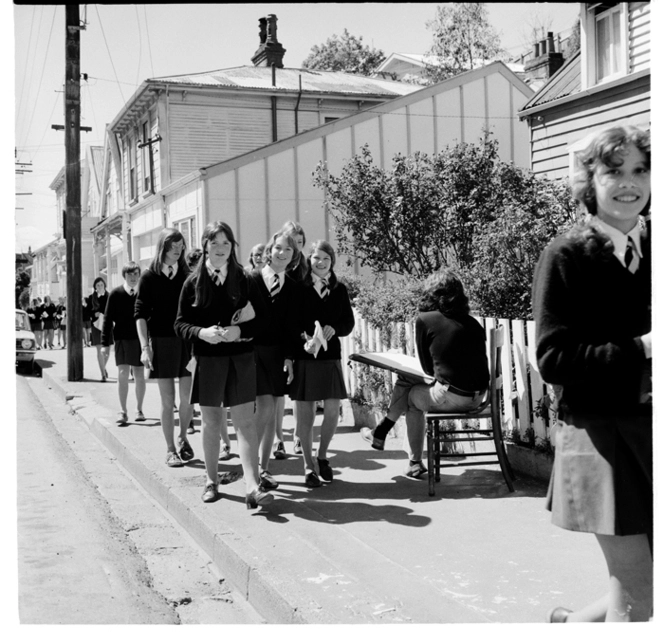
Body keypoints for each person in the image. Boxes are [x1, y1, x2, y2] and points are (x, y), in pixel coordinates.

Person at [533, 125, 652, 623]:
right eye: (614, 170)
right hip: (600, 433)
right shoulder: (566, 255)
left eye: (641, 170)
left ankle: (570, 628)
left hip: (652, 432)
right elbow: (553, 358)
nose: (630, 182)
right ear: (590, 179)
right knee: (643, 595)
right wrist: (640, 349)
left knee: (647, 584)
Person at [174, 221, 273, 508]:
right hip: (208, 360)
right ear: (204, 246)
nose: (220, 249)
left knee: (244, 423)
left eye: (226, 244)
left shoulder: (246, 278)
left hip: (241, 358)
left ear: (233, 247)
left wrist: (240, 332)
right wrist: (201, 333)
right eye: (214, 243)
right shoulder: (192, 282)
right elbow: (180, 324)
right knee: (211, 422)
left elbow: (264, 319)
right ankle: (211, 480)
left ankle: (252, 485)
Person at [361, 270, 489, 479]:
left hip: (452, 397)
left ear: (432, 293)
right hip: (479, 398)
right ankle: (382, 433)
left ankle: (410, 458)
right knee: (409, 384)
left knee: (411, 397)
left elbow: (428, 369)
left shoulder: (426, 320)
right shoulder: (472, 323)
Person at [290, 240, 355, 487]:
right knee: (305, 417)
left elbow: (348, 324)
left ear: (332, 261)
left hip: (330, 358)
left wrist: (333, 328)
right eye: (316, 258)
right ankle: (308, 467)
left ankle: (323, 456)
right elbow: (291, 322)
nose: (321, 263)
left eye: (326, 259)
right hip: (305, 356)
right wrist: (304, 338)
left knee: (331, 411)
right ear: (309, 260)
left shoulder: (339, 289)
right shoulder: (299, 288)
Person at [135, 228, 195, 468]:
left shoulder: (188, 275)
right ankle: (170, 449)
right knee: (167, 400)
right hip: (161, 342)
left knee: (188, 398)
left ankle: (182, 438)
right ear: (163, 246)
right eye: (173, 245)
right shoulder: (149, 277)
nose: (178, 249)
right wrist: (145, 347)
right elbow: (140, 314)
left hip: (187, 343)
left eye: (181, 245)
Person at [248, 231, 302, 491]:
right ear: (269, 250)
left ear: (294, 256)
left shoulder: (292, 287)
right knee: (266, 408)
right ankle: (253, 468)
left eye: (288, 250)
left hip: (277, 354)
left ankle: (263, 467)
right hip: (250, 352)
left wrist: (290, 357)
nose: (282, 253)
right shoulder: (252, 279)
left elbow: (292, 326)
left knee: (269, 413)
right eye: (278, 248)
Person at [277, 220, 309, 456]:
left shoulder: (306, 267)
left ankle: (299, 437)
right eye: (291, 243)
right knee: (276, 392)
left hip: (299, 335)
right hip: (278, 335)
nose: (295, 248)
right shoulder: (277, 265)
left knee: (298, 393)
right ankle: (279, 438)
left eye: (299, 243)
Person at [101, 262, 146, 426]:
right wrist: (104, 344)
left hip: (140, 340)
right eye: (130, 275)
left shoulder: (143, 293)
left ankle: (139, 409)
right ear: (124, 276)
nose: (133, 278)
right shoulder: (115, 294)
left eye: (135, 274)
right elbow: (107, 320)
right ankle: (123, 410)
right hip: (121, 339)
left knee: (139, 375)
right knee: (122, 374)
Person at [90, 277, 111, 380]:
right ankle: (103, 374)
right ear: (95, 287)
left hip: (107, 326)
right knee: (99, 351)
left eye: (101, 285)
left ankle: (104, 367)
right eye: (97, 285)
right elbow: (87, 313)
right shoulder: (91, 298)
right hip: (96, 326)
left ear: (104, 285)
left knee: (107, 351)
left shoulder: (109, 296)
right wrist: (94, 314)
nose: (99, 287)